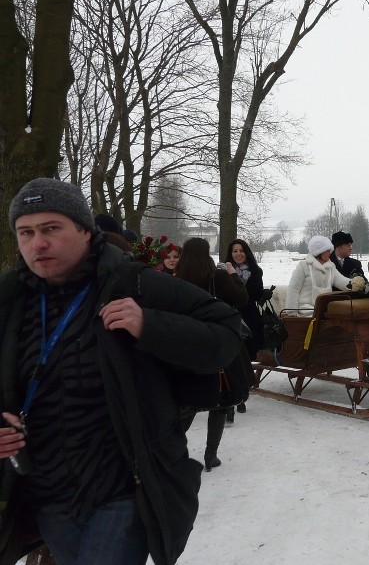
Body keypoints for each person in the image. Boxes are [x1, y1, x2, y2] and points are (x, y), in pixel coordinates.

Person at [0, 178, 242, 565]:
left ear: (84, 229)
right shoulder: (11, 298)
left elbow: (228, 333)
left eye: (51, 229)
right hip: (49, 493)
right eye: (26, 232)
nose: (38, 243)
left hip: (123, 489)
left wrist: (151, 325)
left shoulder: (135, 283)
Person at [175, 238, 248, 471]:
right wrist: (233, 274)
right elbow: (241, 299)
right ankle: (210, 455)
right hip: (216, 344)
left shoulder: (176, 280)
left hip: (187, 347)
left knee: (188, 403)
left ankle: (173, 453)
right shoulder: (216, 277)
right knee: (218, 401)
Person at [225, 238, 268, 418]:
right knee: (230, 359)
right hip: (229, 319)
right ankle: (232, 401)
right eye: (235, 251)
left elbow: (255, 294)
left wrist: (263, 295)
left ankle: (241, 396)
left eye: (241, 250)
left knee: (246, 359)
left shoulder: (256, 271)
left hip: (250, 320)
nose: (238, 254)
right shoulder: (223, 271)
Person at [285, 235, 353, 316]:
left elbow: (342, 282)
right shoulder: (303, 266)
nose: (330, 253)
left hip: (324, 310)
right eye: (327, 250)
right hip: (305, 312)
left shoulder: (331, 267)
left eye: (330, 250)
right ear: (319, 251)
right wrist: (292, 312)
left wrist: (357, 284)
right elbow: (293, 289)